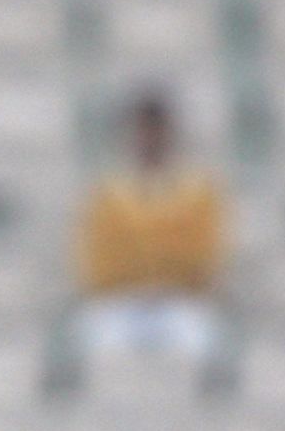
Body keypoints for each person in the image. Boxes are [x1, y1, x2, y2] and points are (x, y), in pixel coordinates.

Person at [72, 89, 229, 359]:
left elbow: (204, 256)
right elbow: (98, 258)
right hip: (118, 302)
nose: (149, 139)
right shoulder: (106, 194)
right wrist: (137, 279)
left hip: (181, 302)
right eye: (142, 131)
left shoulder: (200, 193)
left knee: (204, 340)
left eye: (156, 131)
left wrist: (163, 279)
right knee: (92, 340)